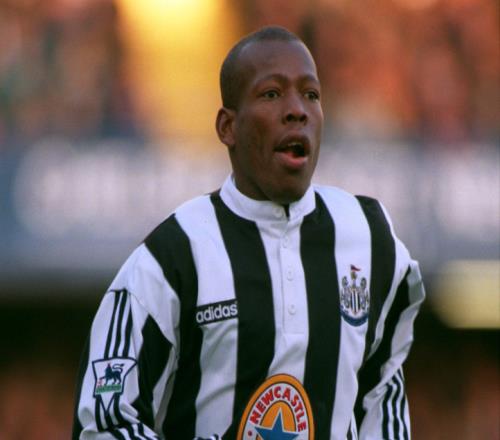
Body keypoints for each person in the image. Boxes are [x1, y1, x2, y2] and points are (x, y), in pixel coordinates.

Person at [72, 26, 425, 440]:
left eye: (311, 94)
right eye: (272, 94)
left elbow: (383, 393)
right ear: (228, 127)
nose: (297, 110)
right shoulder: (172, 256)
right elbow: (103, 422)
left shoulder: (369, 238)